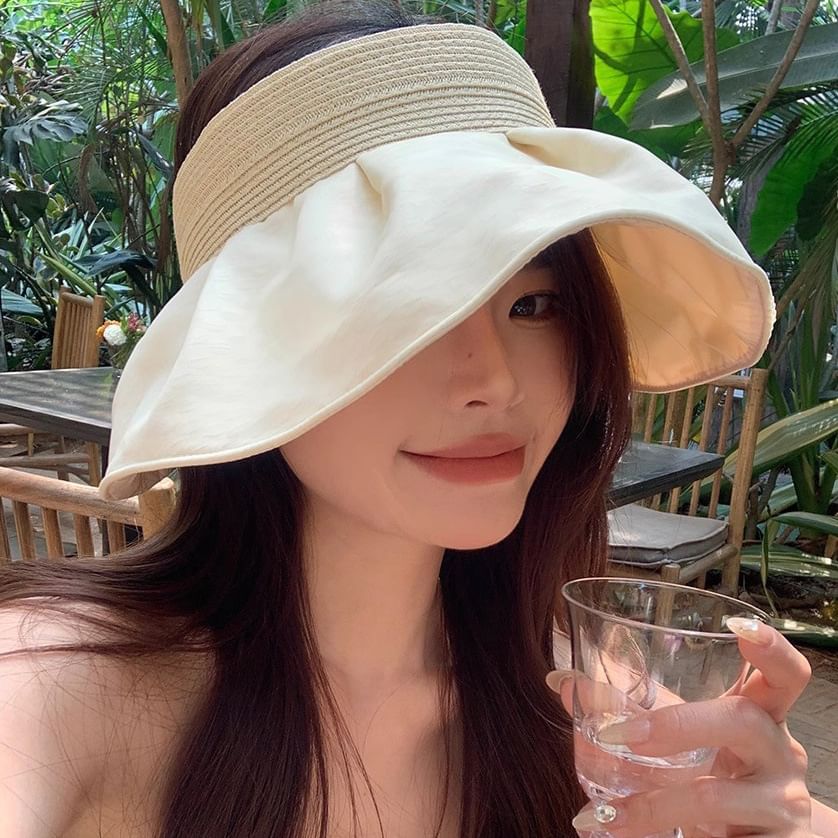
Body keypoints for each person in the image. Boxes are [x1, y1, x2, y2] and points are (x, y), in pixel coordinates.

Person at [1, 2, 836, 836]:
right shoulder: (57, 681)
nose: (494, 382)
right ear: (251, 346)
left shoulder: (595, 711)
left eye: (534, 304)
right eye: (407, 311)